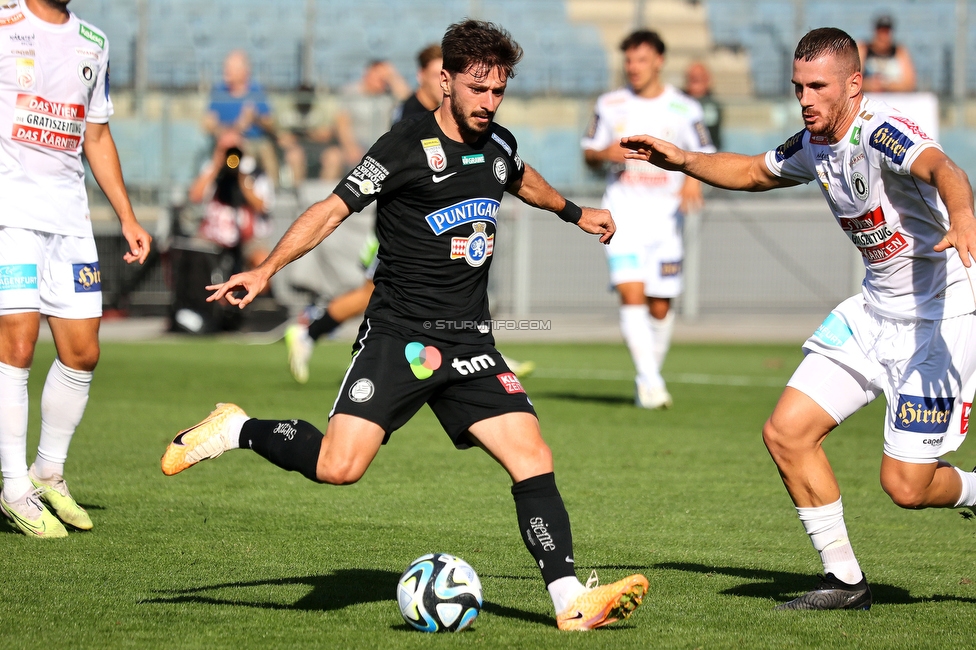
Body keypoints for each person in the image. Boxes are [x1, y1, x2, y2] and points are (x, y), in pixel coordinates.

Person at [162, 20, 647, 630]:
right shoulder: (402, 147)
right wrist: (264, 269)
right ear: (445, 81)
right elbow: (329, 210)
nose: (489, 102)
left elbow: (521, 179)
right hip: (401, 335)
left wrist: (577, 213)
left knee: (532, 453)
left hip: (470, 340)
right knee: (340, 467)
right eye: (478, 89)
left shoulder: (498, 145)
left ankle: (569, 599)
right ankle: (239, 429)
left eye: (498, 91)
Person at [623, 27, 976, 610]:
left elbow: (945, 169)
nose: (805, 98)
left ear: (854, 85)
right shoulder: (815, 144)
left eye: (818, 86)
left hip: (937, 322)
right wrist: (683, 159)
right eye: (798, 87)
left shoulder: (879, 130)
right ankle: (844, 582)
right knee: (786, 433)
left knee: (906, 488)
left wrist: (961, 218)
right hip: (872, 314)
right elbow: (755, 171)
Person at [285, 43, 534, 384]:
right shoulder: (411, 118)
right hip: (405, 225)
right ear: (432, 78)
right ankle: (311, 330)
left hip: (439, 223)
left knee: (458, 278)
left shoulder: (451, 113)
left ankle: (476, 351)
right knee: (372, 292)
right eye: (434, 75)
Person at [0, 0, 152, 537]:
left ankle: (48, 471)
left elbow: (97, 136)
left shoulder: (94, 40)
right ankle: (14, 485)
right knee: (16, 344)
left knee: (83, 350)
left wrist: (127, 217)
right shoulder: (4, 21)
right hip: (10, 214)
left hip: (69, 219)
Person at [581, 30, 714, 409]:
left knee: (660, 306)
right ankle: (652, 382)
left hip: (666, 222)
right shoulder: (610, 104)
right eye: (628, 60)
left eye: (641, 60)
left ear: (659, 60)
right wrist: (604, 152)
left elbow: (704, 154)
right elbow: (589, 151)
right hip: (621, 218)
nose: (633, 67)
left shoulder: (685, 108)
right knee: (632, 295)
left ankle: (647, 380)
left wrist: (692, 182)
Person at [204, 50, 278, 184]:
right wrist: (233, 129)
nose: (226, 71)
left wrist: (255, 117)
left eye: (230, 68)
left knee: (266, 151)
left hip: (254, 141)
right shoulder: (218, 92)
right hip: (227, 140)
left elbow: (271, 123)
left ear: (244, 71)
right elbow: (209, 124)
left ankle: (273, 191)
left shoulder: (257, 92)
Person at [858, 15, 916, 93]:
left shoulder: (899, 51)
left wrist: (886, 85)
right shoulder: (863, 49)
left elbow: (910, 84)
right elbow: (852, 81)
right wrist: (868, 85)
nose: (883, 37)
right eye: (881, 32)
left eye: (886, 32)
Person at [391, 44, 444, 124]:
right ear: (421, 75)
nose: (442, 82)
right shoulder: (411, 118)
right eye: (435, 76)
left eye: (444, 75)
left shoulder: (437, 112)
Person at [683, 61, 722, 150]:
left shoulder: (713, 106)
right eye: (692, 78)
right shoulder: (677, 102)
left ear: (707, 79)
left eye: (699, 78)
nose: (695, 81)